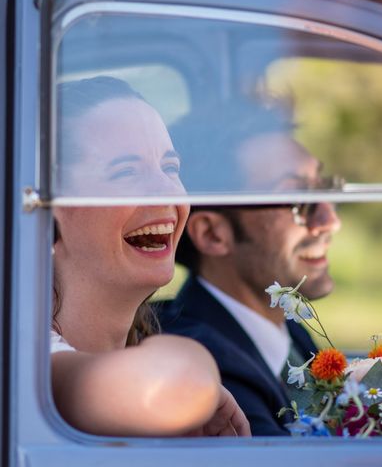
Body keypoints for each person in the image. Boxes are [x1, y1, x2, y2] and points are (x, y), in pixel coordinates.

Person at [51, 76, 250, 437]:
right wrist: (198, 377)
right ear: (47, 218)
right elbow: (176, 383)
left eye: (170, 168)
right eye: (126, 172)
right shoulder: (32, 357)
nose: (166, 192)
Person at [159, 99, 342, 435]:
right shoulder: (210, 369)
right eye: (297, 199)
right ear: (213, 234)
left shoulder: (289, 332)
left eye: (324, 188)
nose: (330, 221)